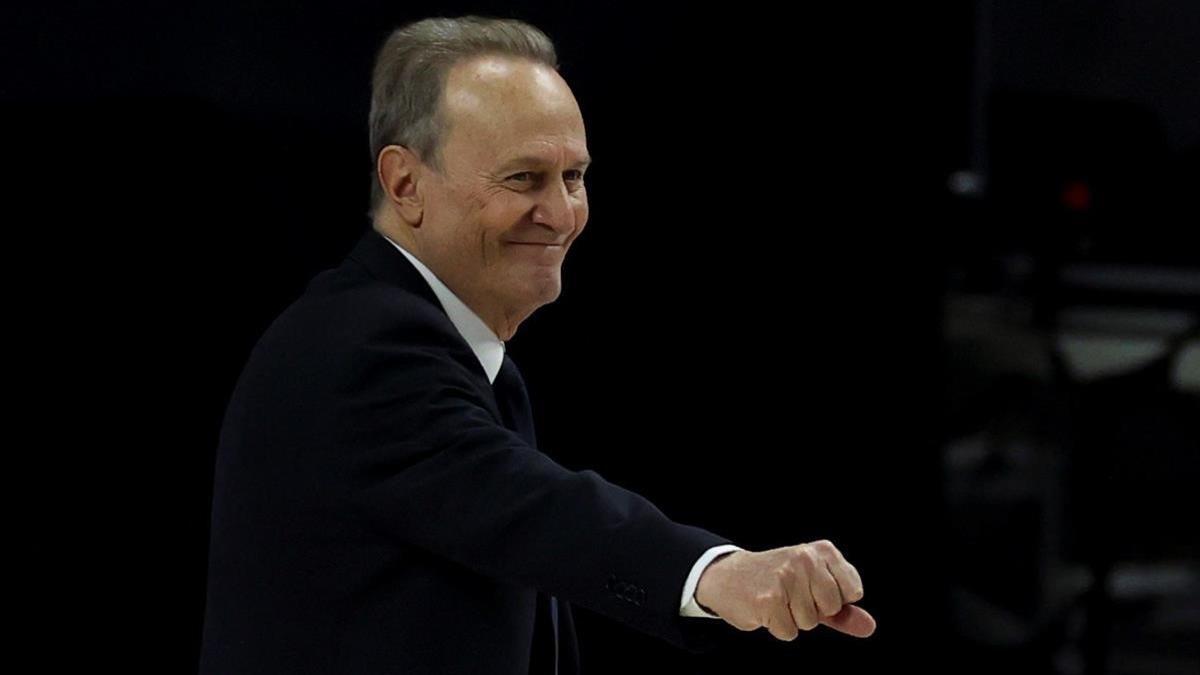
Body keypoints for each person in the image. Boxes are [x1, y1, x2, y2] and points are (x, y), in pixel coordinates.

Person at [198, 15, 875, 674]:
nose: (560, 214)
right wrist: (718, 572)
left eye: (573, 177)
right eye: (523, 178)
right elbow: (537, 508)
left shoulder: (466, 359)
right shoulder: (357, 345)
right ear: (405, 183)